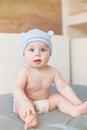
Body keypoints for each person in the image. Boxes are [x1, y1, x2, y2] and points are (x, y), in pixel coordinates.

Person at [13, 28, 87, 130]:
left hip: (45, 102)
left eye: (43, 50)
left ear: (50, 54)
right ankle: (30, 119)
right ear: (24, 54)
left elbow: (64, 88)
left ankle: (74, 110)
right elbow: (17, 89)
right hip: (27, 103)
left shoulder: (53, 72)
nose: (37, 53)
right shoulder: (24, 72)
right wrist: (24, 102)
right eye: (31, 50)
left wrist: (76, 101)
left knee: (58, 98)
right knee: (19, 106)